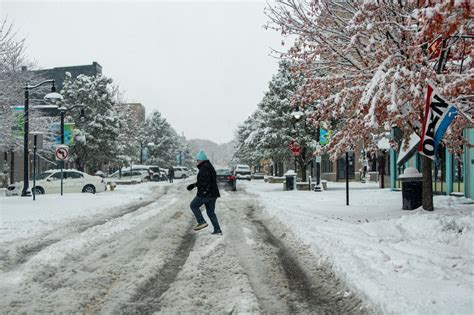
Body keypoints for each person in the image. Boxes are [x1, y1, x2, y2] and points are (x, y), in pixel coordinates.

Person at [187, 150, 222, 234]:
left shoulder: (204, 167)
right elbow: (205, 180)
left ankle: (201, 221)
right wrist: (194, 185)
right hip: (213, 193)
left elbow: (204, 182)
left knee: (193, 205)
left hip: (206, 193)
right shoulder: (209, 166)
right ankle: (217, 229)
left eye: (197, 160)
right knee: (210, 212)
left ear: (201, 160)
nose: (197, 162)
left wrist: (201, 190)